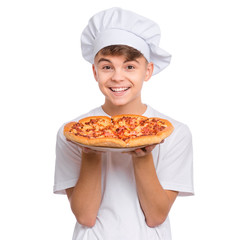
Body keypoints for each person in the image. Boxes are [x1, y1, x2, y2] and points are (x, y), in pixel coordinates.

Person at [53, 7, 194, 240]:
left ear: (148, 70)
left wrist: (142, 154)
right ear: (95, 72)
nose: (117, 77)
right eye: (107, 66)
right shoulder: (73, 133)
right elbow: (86, 217)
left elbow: (156, 216)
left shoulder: (174, 133)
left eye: (130, 66)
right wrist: (91, 149)